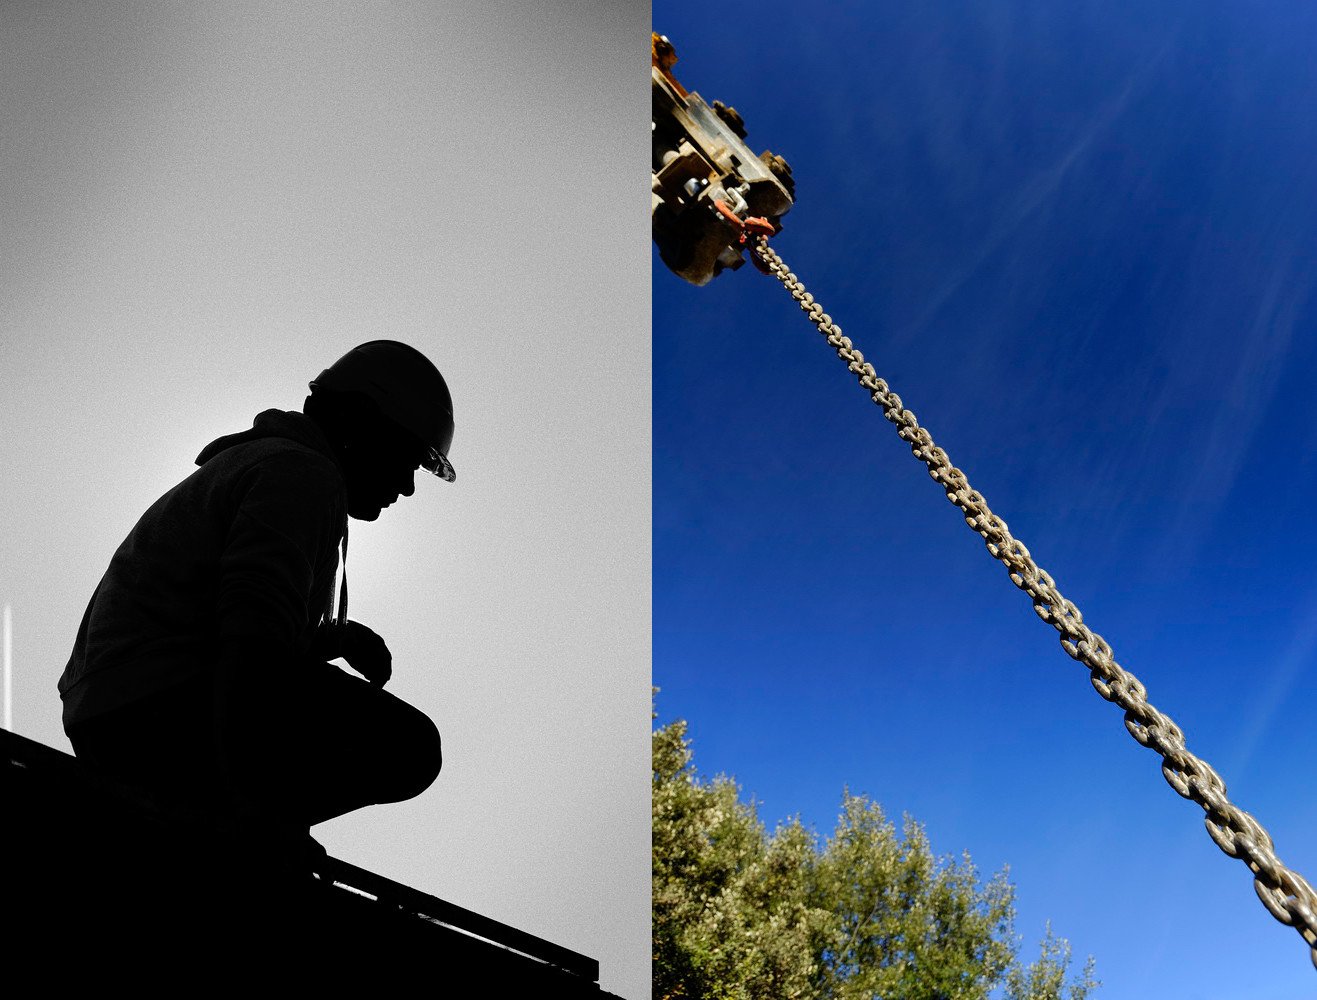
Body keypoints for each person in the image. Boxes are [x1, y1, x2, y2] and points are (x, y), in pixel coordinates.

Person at [58, 340, 451, 864]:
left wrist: (330, 638)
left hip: (111, 711)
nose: (406, 486)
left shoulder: (266, 463)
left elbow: (217, 614)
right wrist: (254, 814)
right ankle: (237, 820)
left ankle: (227, 812)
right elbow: (252, 644)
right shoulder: (303, 476)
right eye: (405, 458)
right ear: (362, 422)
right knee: (408, 746)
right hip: (156, 711)